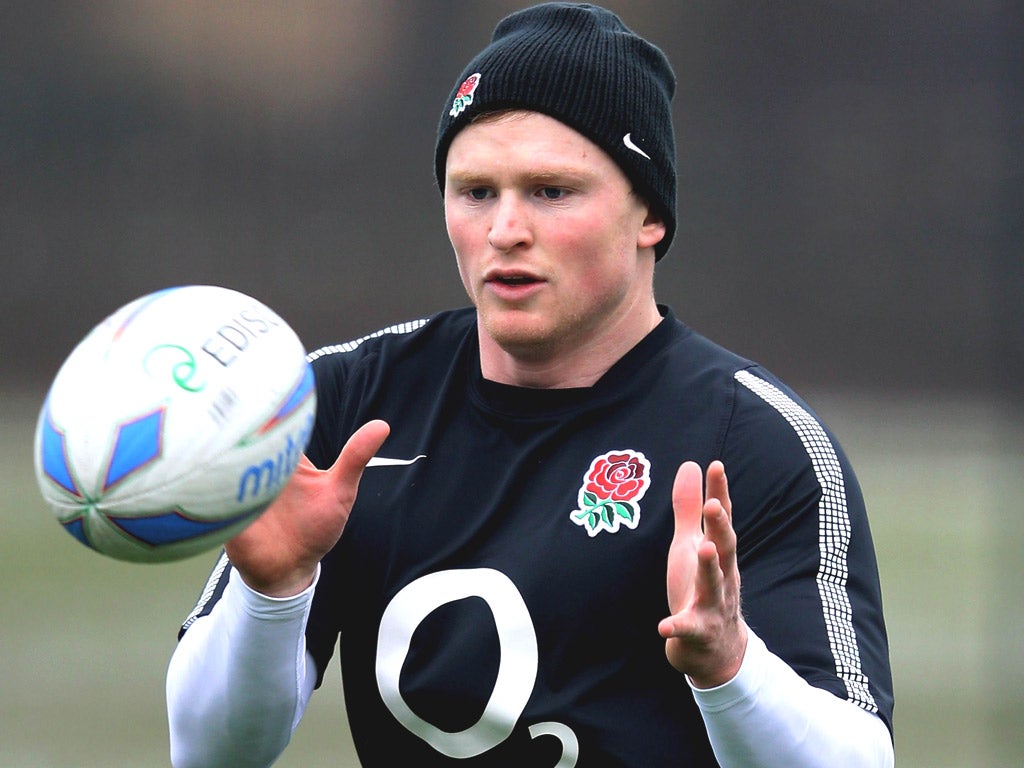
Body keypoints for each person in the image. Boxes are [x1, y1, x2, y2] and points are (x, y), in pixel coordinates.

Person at [166, 3, 894, 766]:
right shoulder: (339, 408)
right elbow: (210, 753)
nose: (505, 229)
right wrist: (271, 592)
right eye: (476, 191)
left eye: (551, 191)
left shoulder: (754, 446)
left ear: (649, 213)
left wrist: (729, 667)